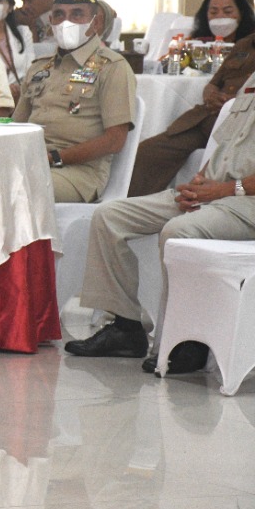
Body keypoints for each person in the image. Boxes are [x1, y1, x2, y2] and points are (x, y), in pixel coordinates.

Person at [63, 70, 255, 374]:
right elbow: (226, 146)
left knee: (179, 231)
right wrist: (199, 182)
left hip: (245, 203)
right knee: (110, 216)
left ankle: (185, 340)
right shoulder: (251, 79)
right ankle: (125, 327)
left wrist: (224, 190)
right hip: (214, 191)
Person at [12, 0, 137, 203]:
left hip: (78, 173)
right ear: (51, 21)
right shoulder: (39, 68)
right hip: (30, 163)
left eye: (77, 14)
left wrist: (54, 157)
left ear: (95, 23)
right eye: (59, 15)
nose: (66, 22)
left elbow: (115, 140)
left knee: (18, 187)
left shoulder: (112, 67)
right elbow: (15, 127)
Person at [127, 0, 255, 196]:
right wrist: (211, 95)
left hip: (240, 122)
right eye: (214, 11)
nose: (220, 17)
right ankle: (133, 202)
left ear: (242, 14)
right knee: (151, 150)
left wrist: (235, 102)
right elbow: (213, 82)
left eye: (227, 11)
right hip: (206, 117)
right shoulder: (243, 45)